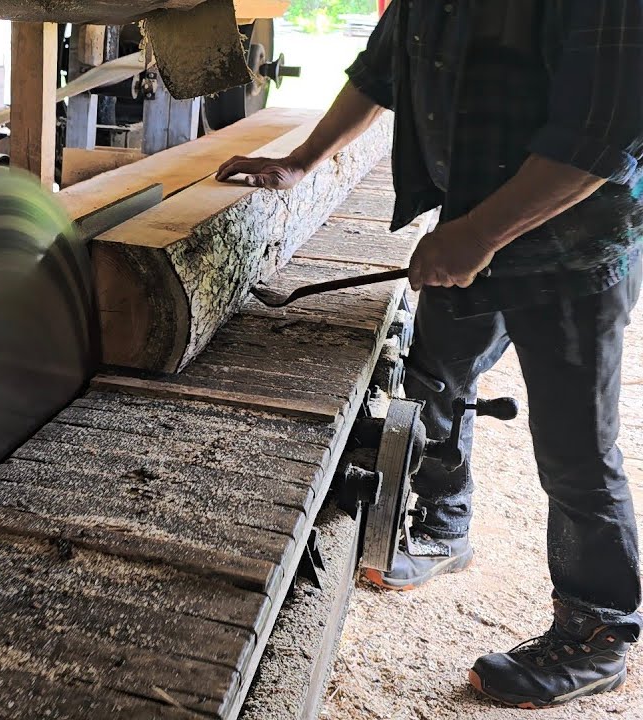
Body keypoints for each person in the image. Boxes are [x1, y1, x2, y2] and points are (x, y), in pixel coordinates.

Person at [216, 0, 642, 709]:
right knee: (436, 379)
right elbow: (378, 72)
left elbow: (603, 135)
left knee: (575, 450)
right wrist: (300, 161)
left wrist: (477, 234)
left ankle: (597, 632)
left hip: (573, 245)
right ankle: (446, 528)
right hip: (474, 218)